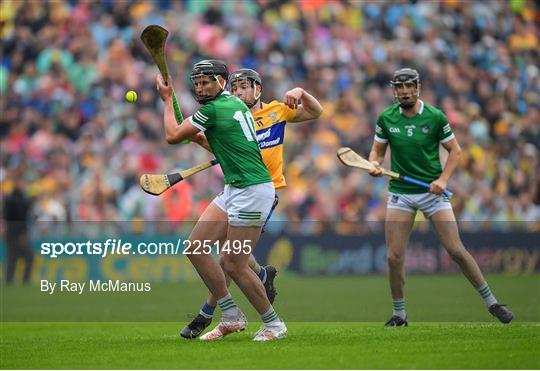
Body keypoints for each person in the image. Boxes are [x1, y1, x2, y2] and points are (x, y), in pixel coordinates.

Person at [180, 68, 323, 339]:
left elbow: (316, 112)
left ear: (258, 89)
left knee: (231, 259)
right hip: (235, 188)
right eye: (234, 88)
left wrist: (300, 92)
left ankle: (216, 313)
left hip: (262, 190)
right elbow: (209, 142)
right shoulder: (229, 114)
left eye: (244, 87)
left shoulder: (276, 111)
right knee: (223, 255)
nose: (238, 92)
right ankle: (250, 287)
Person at [367, 68, 514, 326]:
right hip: (401, 193)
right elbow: (377, 151)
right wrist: (374, 164)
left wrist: (443, 180)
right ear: (394, 90)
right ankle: (399, 315)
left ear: (417, 87)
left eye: (408, 86)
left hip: (432, 193)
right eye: (399, 88)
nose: (404, 92)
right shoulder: (386, 118)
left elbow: (455, 152)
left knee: (456, 250)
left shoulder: (435, 117)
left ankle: (492, 303)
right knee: (393, 257)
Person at [156, 60, 285, 341]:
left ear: (221, 82)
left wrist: (167, 100)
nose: (200, 88)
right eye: (197, 83)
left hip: (252, 191)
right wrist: (196, 136)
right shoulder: (232, 105)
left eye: (206, 82)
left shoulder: (215, 109)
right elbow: (215, 143)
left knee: (233, 263)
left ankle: (274, 325)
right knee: (196, 247)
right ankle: (230, 315)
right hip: (235, 188)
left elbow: (172, 135)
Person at [3, 178, 34, 284]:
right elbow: (19, 215)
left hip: (12, 232)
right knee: (28, 256)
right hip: (16, 233)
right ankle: (23, 280)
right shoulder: (15, 200)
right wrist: (23, 233)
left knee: (13, 257)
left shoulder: (12, 199)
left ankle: (9, 280)